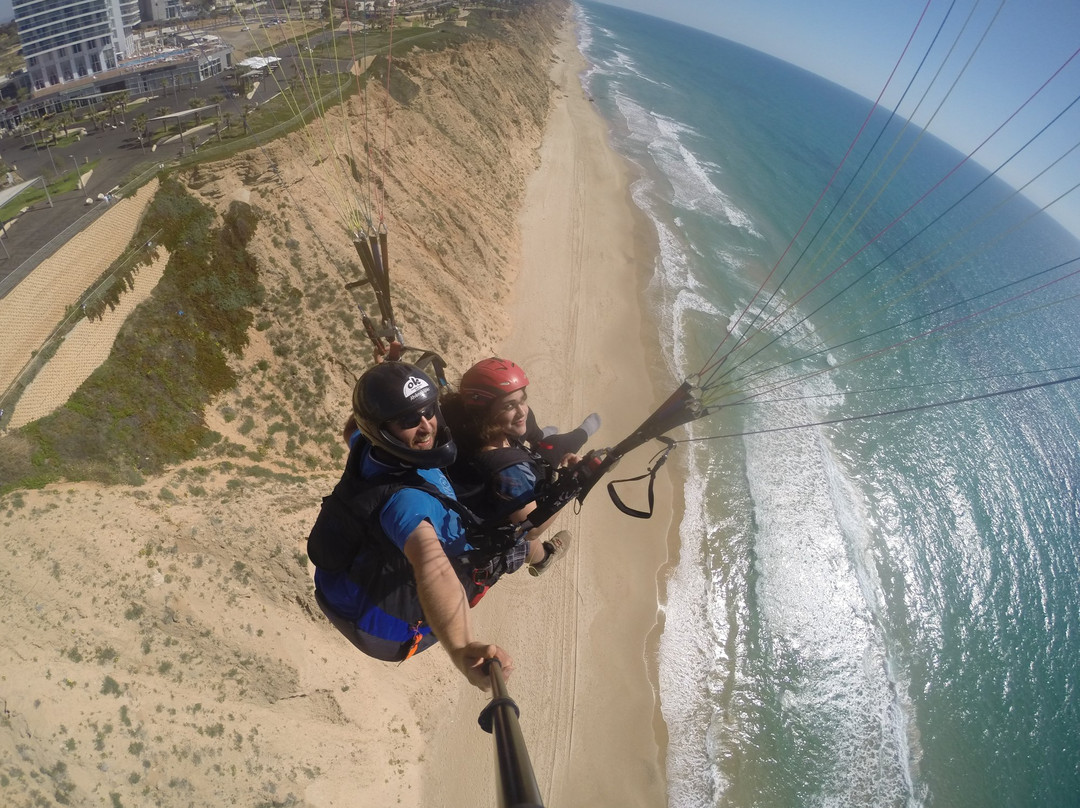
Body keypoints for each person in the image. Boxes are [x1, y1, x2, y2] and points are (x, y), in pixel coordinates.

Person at [308, 361, 514, 690]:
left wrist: (385, 378)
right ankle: (542, 554)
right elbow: (434, 569)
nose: (426, 426)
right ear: (382, 430)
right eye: (408, 419)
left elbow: (353, 429)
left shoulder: (367, 445)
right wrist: (462, 648)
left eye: (428, 410)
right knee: (515, 548)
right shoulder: (405, 504)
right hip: (390, 632)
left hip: (354, 579)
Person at [440, 357, 600, 577]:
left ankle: (542, 436)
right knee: (559, 446)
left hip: (472, 495)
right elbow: (532, 528)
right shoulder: (509, 472)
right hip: (491, 522)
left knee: (536, 431)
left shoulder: (454, 418)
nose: (521, 410)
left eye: (522, 399)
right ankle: (545, 557)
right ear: (484, 412)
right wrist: (572, 484)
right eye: (509, 405)